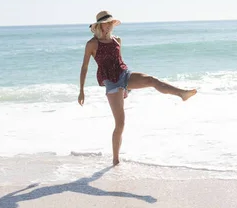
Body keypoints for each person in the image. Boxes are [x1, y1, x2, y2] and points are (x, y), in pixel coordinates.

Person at [78, 10, 197, 165]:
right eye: (107, 23)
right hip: (111, 82)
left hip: (124, 75)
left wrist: (127, 86)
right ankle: (115, 160)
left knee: (152, 80)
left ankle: (182, 93)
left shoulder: (117, 40)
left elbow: (119, 60)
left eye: (111, 23)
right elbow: (85, 67)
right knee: (120, 124)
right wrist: (81, 90)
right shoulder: (92, 44)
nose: (110, 26)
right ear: (100, 25)